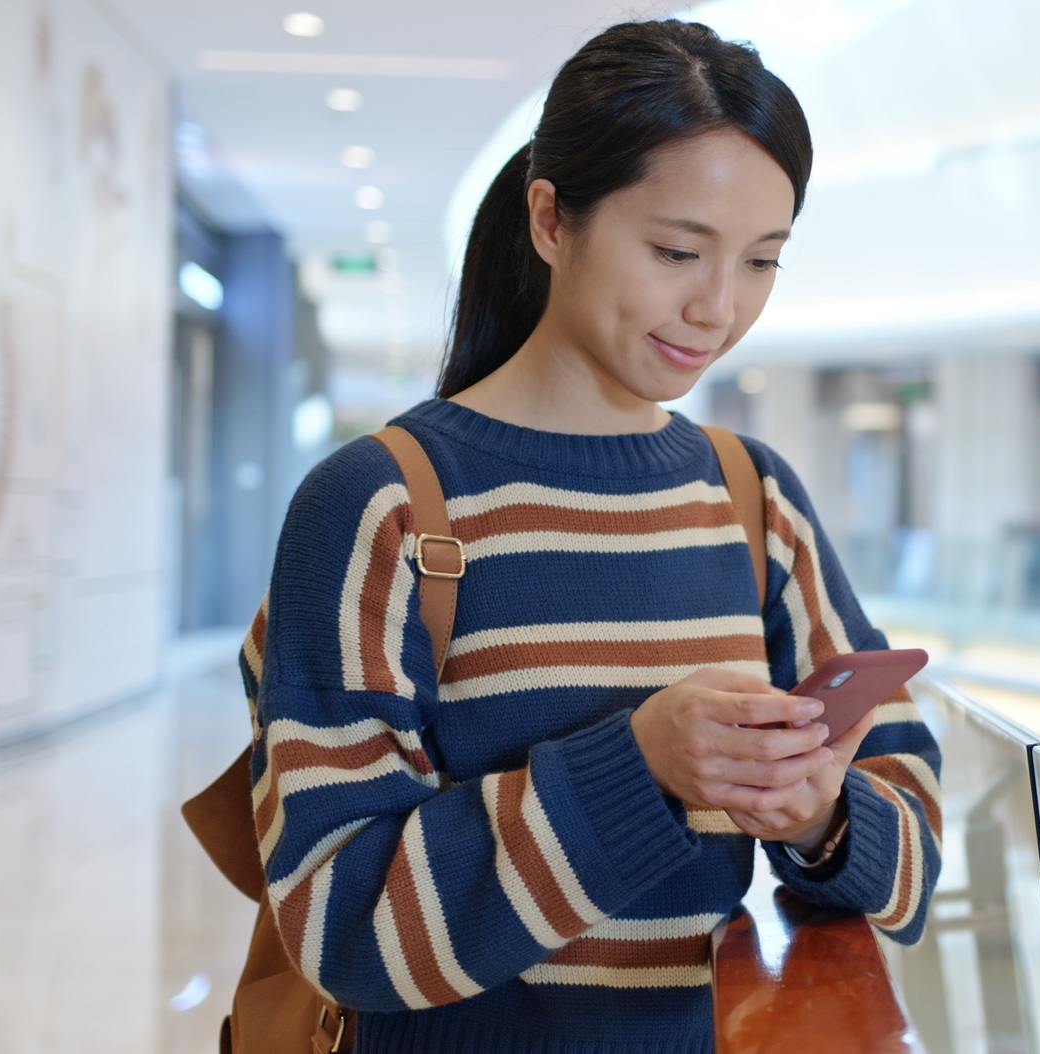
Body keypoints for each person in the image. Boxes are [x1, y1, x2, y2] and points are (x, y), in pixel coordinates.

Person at [240, 21, 940, 1053]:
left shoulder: (753, 499)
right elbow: (342, 927)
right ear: (550, 219)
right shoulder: (378, 503)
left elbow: (915, 845)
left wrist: (817, 817)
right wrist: (641, 764)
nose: (717, 307)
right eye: (674, 251)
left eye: (760, 262)